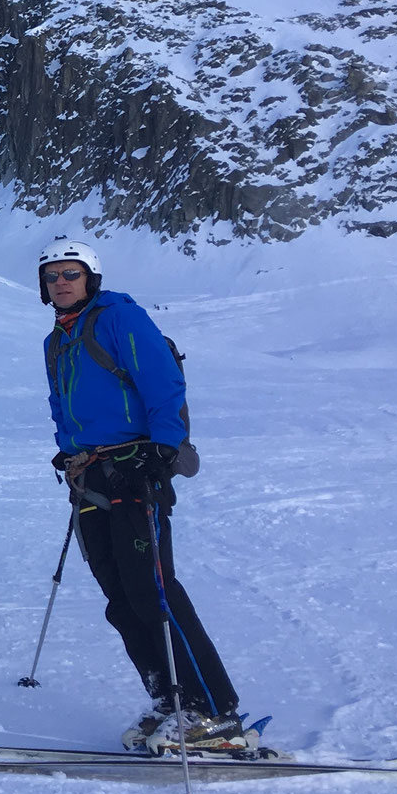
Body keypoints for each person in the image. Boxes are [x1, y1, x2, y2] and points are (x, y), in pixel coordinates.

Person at [39, 239, 251, 753]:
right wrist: (67, 450)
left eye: (72, 273)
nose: (62, 282)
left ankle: (213, 711)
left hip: (136, 470)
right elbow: (61, 404)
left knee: (154, 591)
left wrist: (161, 449)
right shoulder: (56, 340)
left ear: (91, 278)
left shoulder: (120, 319)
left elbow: (162, 383)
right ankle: (169, 700)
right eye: (52, 276)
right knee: (121, 597)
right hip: (91, 476)